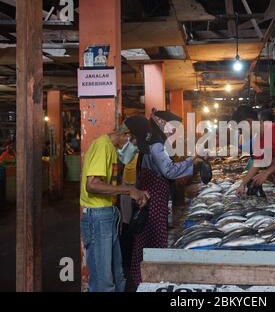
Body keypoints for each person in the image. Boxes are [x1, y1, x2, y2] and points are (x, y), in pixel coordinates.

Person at [129, 112, 204, 287]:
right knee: (153, 236)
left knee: (146, 237)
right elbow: (168, 171)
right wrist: (191, 161)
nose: (175, 131)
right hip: (153, 199)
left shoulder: (150, 143)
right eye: (174, 127)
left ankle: (142, 277)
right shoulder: (156, 145)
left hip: (151, 197)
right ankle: (150, 279)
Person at [80, 118, 150, 292]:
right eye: (134, 144)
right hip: (97, 217)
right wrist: (128, 190)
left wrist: (132, 193)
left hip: (107, 215)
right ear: (126, 135)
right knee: (104, 282)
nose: (134, 150)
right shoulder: (103, 147)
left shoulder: (111, 149)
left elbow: (108, 186)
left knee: (117, 276)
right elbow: (92, 185)